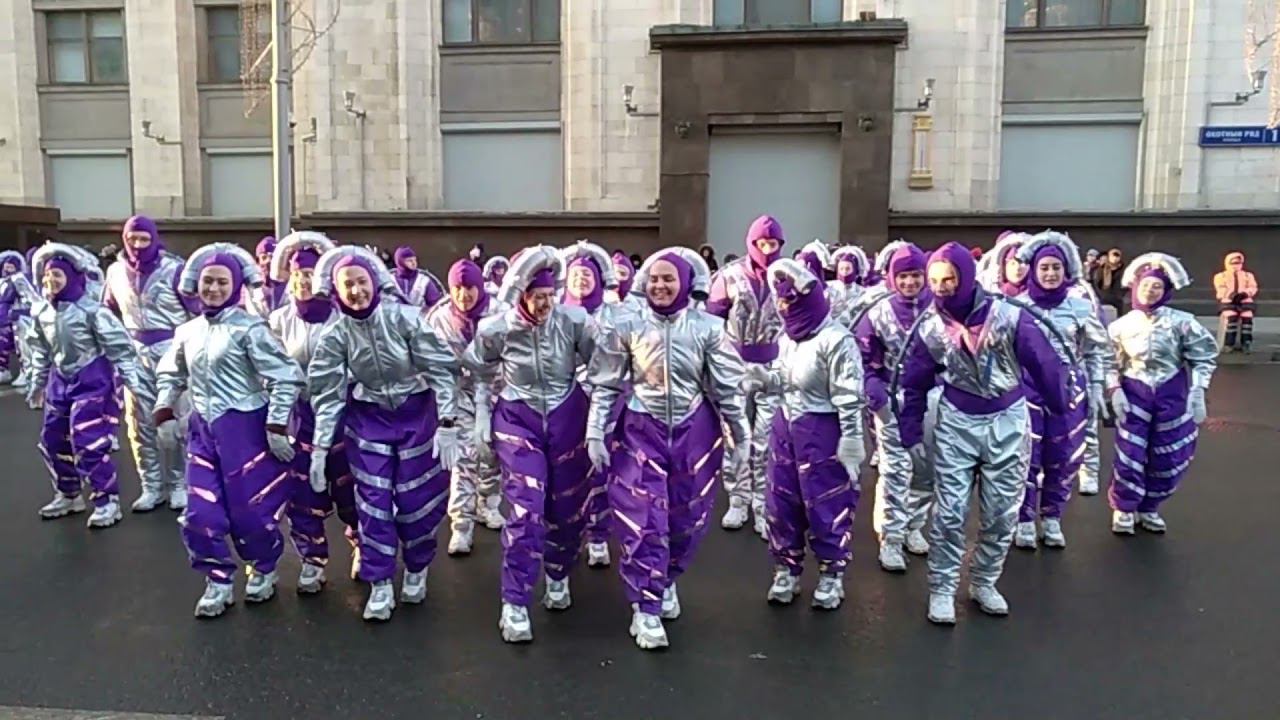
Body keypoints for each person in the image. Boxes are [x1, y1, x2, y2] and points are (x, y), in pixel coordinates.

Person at [898, 242, 1068, 624]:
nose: (941, 287)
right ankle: (942, 588)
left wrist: (1060, 407)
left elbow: (1045, 363)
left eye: (949, 279)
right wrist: (910, 432)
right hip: (957, 421)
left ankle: (984, 581)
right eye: (934, 280)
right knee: (950, 512)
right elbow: (913, 382)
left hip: (1007, 420)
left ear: (966, 276)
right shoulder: (929, 326)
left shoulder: (1010, 317)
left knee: (1001, 513)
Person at [587, 247, 746, 649]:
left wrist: (741, 434)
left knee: (687, 516)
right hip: (641, 428)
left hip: (695, 432)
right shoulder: (626, 324)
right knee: (644, 518)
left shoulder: (709, 328)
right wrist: (595, 432)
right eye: (654, 279)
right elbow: (606, 384)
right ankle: (646, 606)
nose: (660, 285)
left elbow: (727, 387)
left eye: (669, 279)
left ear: (686, 282)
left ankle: (666, 578)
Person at [307, 246, 461, 621]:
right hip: (368, 418)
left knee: (416, 500)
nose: (356, 291)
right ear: (336, 290)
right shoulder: (335, 333)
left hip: (415, 414)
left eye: (361, 281)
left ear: (375, 282)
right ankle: (379, 582)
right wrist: (320, 447)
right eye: (348, 285)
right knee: (373, 502)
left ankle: (417, 566)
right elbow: (326, 393)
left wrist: (448, 421)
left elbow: (441, 369)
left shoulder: (404, 318)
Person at [154, 244, 304, 617]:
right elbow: (171, 374)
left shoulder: (250, 329)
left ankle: (263, 567)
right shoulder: (188, 331)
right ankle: (217, 580)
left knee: (250, 511)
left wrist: (276, 425)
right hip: (203, 431)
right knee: (200, 512)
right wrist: (164, 411)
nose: (214, 288)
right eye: (208, 281)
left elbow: (287, 376)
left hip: (245, 431)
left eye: (222, 282)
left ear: (235, 286)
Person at [463, 246, 597, 643]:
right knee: (526, 508)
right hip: (518, 416)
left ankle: (558, 573)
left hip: (568, 413)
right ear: (521, 294)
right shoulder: (497, 329)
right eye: (537, 296)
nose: (545, 303)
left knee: (568, 508)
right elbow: (478, 370)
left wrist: (597, 416)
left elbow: (604, 367)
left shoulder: (574, 321)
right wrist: (482, 414)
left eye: (550, 295)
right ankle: (515, 600)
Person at [750, 259, 865, 609]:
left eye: (792, 301)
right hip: (786, 426)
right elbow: (785, 379)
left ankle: (832, 573)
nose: (786, 308)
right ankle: (786, 567)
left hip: (823, 429)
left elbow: (849, 394)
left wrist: (852, 437)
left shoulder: (836, 339)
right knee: (781, 501)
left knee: (827, 501)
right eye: (781, 302)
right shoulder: (787, 337)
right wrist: (764, 379)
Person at [25, 243, 148, 527]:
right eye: (47, 275)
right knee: (53, 439)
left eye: (57, 274)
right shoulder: (42, 312)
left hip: (93, 381)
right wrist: (37, 383)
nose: (51, 280)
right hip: (60, 381)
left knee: (88, 442)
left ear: (72, 276)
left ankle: (107, 500)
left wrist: (139, 389)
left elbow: (122, 351)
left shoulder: (92, 312)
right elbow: (40, 351)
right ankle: (68, 493)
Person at [266, 231, 361, 592]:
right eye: (297, 275)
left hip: (343, 414)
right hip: (300, 416)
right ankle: (312, 559)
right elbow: (271, 369)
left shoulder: (343, 318)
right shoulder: (279, 320)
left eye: (309, 274)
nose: (303, 282)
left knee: (350, 486)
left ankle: (362, 544)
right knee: (301, 490)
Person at [1011, 232, 1111, 550]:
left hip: (1068, 392)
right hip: (1027, 391)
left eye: (1056, 267)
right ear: (1033, 271)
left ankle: (1052, 516)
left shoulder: (1080, 308)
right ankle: (1024, 518)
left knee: (1064, 456)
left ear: (1066, 270)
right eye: (1044, 268)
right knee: (1025, 456)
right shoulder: (1016, 307)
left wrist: (1097, 388)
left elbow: (1096, 352)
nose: (1050, 273)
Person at [1108, 253, 1217, 535]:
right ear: (1136, 287)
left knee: (1169, 454)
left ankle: (1150, 506)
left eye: (1157, 286)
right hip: (1135, 392)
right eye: (1146, 285)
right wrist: (1114, 389)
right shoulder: (1121, 326)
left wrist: (1198, 391)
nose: (1150, 290)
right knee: (1130, 453)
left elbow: (1204, 357)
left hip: (1172, 394)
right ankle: (1124, 508)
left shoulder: (1182, 322)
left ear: (1166, 290)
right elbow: (1108, 362)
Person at [102, 216, 197, 512]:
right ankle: (151, 486)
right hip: (134, 353)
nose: (138, 245)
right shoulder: (115, 271)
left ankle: (179, 483)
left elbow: (196, 311)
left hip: (173, 350)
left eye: (144, 239)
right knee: (139, 422)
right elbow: (108, 311)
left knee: (176, 418)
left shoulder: (174, 269)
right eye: (133, 239)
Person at [854, 242, 937, 572]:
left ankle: (914, 525)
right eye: (902, 276)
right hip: (893, 398)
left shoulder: (940, 309)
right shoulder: (878, 312)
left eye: (916, 275)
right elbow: (862, 360)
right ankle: (890, 537)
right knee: (894, 469)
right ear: (892, 278)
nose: (910, 282)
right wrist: (874, 391)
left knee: (925, 466)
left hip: (930, 399)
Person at [706, 214, 787, 538]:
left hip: (773, 366)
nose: (767, 250)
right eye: (761, 243)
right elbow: (712, 323)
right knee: (736, 436)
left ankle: (762, 504)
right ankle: (738, 499)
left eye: (773, 244)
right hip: (735, 367)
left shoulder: (787, 275)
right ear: (751, 243)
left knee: (766, 439)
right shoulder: (729, 275)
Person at [560, 240, 634, 568]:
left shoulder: (618, 315)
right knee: (569, 473)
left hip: (609, 403)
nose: (581, 280)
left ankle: (599, 535)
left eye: (587, 275)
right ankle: (570, 534)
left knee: (603, 469)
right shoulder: (557, 314)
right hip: (567, 404)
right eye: (575, 275)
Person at [425, 259, 505, 557]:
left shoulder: (500, 312)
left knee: (493, 451)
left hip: (497, 391)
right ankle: (461, 525)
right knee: (465, 457)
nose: (463, 295)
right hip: (459, 395)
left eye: (469, 287)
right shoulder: (440, 317)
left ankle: (488, 503)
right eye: (457, 288)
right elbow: (431, 360)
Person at [1214, 252, 1258, 352]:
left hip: (1245, 301)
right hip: (1228, 302)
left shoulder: (1248, 275)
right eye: (1233, 263)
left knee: (1247, 317)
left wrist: (1245, 294)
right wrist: (1230, 295)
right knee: (1231, 317)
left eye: (1238, 263)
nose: (1236, 265)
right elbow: (1220, 288)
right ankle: (1229, 343)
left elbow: (1253, 287)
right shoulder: (1221, 276)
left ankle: (1246, 342)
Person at [0, 250, 30, 384]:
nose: (8, 269)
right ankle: (3, 370)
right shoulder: (2, 281)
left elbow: (26, 298)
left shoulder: (20, 280)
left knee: (22, 347)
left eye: (11, 267)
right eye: (6, 266)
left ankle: (26, 372)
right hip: (3, 319)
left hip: (17, 318)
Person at [251, 236, 288, 316]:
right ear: (258, 261)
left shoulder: (290, 285)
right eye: (264, 257)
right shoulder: (253, 289)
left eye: (272, 257)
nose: (268, 261)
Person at [1091, 248, 1125, 323]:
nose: (1115, 258)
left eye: (1117, 256)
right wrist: (1101, 296)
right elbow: (1097, 284)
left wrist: (1121, 295)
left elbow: (1126, 283)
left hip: (1118, 300)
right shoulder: (1102, 269)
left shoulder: (1123, 269)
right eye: (1113, 256)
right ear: (1109, 257)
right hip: (1104, 299)